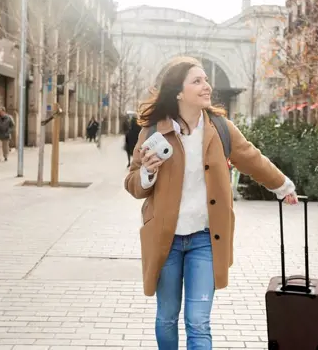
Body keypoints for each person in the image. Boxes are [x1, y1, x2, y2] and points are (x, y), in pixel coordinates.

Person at [124, 56, 298, 349]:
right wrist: (147, 172)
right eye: (197, 81)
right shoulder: (153, 132)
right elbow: (132, 185)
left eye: (206, 80)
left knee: (198, 322)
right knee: (167, 317)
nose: (207, 86)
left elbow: (253, 159)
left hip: (205, 239)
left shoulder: (220, 129)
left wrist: (282, 186)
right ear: (178, 92)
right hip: (165, 240)